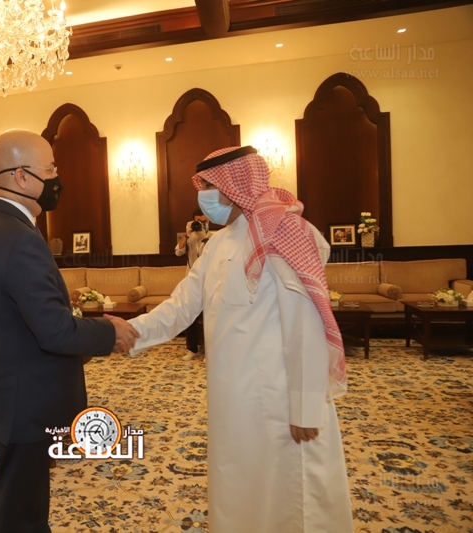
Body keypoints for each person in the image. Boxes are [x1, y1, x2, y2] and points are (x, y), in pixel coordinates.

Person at [128, 146, 353, 532]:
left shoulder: (284, 232)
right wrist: (130, 332)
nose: (203, 195)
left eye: (209, 185)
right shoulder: (218, 243)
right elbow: (182, 305)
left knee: (291, 496)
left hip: (279, 400)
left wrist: (305, 407)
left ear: (235, 186)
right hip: (232, 396)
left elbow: (304, 325)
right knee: (239, 486)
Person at [0, 129, 139, 533]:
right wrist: (109, 331)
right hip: (24, 402)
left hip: (7, 393)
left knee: (15, 504)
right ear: (21, 176)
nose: (57, 178)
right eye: (50, 170)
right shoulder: (16, 237)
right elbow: (55, 332)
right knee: (21, 517)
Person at [174, 209, 212, 360]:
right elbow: (178, 252)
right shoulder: (190, 237)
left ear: (208, 221)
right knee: (190, 316)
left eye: (203, 222)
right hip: (191, 282)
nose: (200, 224)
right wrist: (187, 235)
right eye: (197, 222)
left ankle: (209, 350)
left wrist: (204, 237)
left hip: (208, 282)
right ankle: (192, 349)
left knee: (209, 318)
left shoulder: (213, 237)